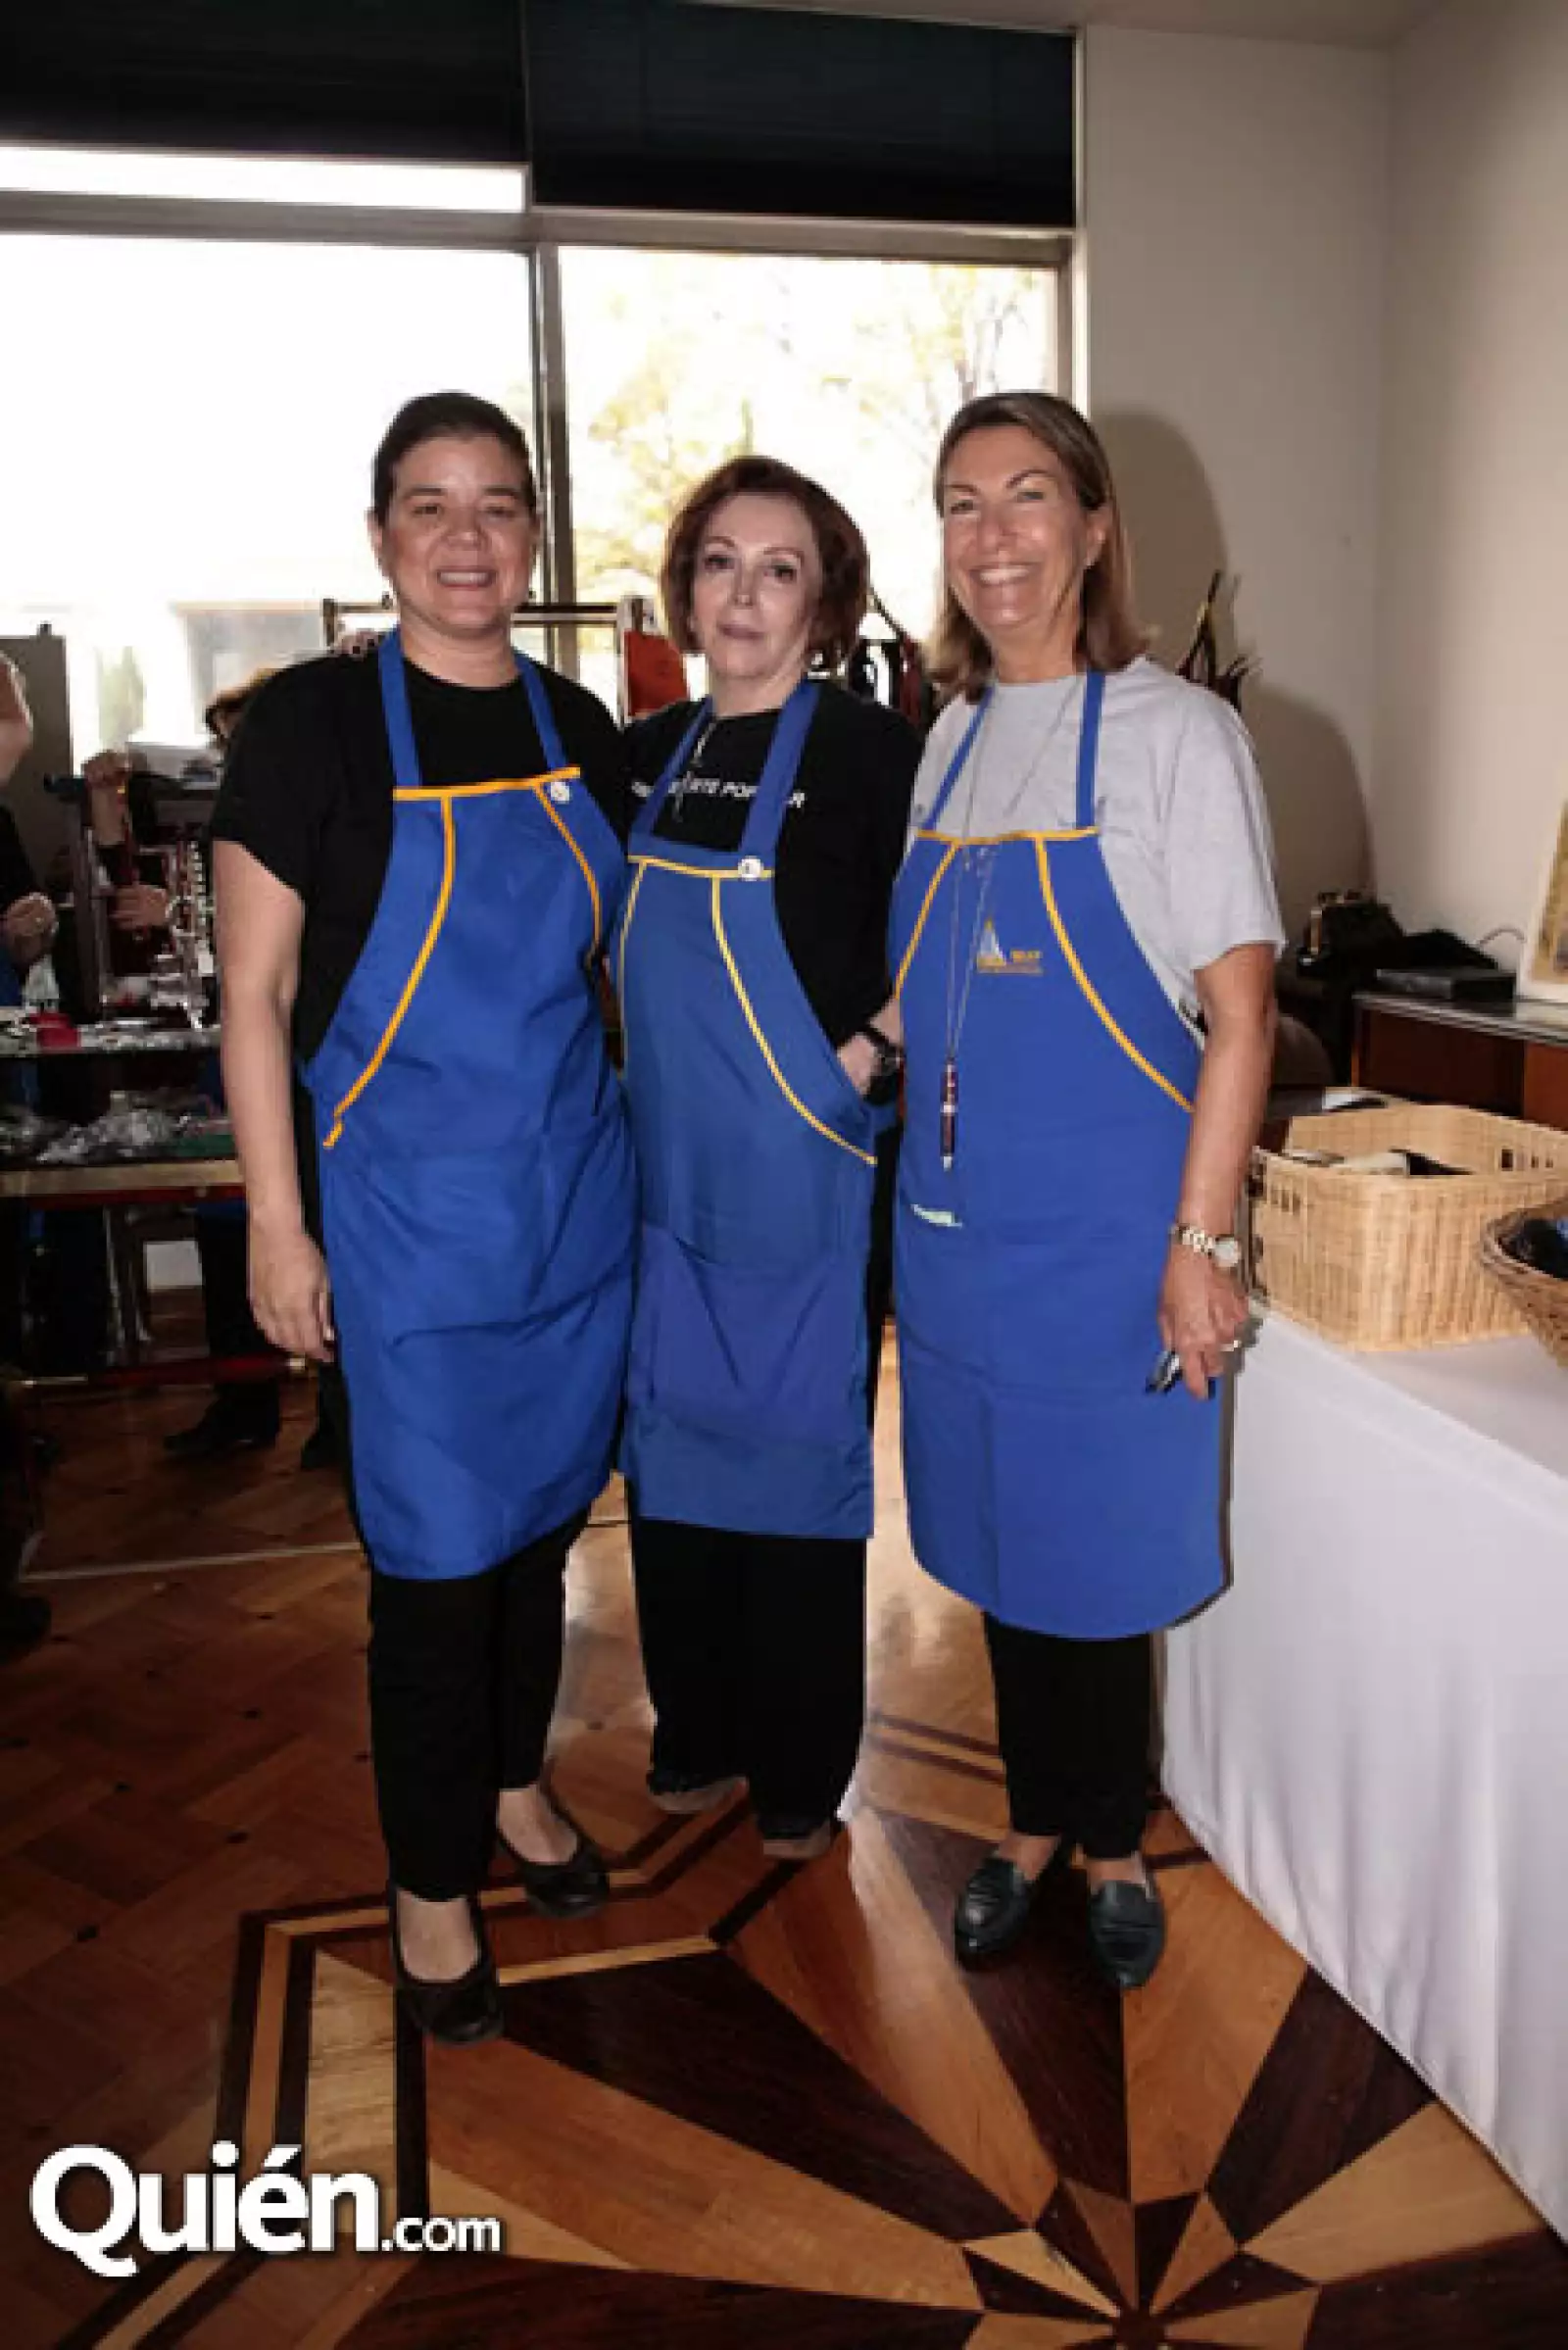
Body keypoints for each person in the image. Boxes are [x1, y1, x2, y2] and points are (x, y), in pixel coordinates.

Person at [214, 390, 636, 2045]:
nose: (468, 539)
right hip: (403, 1225)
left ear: (534, 534)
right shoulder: (312, 728)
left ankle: (519, 1786)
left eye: (498, 506)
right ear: (381, 533)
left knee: (538, 1533)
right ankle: (429, 1876)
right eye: (429, 506)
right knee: (436, 1566)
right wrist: (274, 1221)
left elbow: (624, 975)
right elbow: (253, 999)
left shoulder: (582, 724)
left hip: (571, 1204)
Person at [891, 392, 1281, 1988]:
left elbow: (1241, 1014)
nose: (994, 537)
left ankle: (1110, 1839)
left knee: (1099, 1557)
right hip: (963, 1242)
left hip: (1116, 1238)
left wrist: (1202, 1243)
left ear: (1096, 524)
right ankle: (1030, 1820)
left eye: (1029, 496)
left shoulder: (1179, 734)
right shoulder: (950, 736)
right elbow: (932, 996)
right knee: (995, 1539)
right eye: (963, 502)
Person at [617, 455, 918, 1861]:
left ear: (825, 601)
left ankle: (800, 1762)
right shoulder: (646, 752)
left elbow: (945, 927)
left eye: (780, 567)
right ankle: (701, 1726)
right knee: (674, 1450)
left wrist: (866, 1058)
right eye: (722, 562)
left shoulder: (869, 754)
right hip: (668, 1176)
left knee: (796, 1460)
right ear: (687, 590)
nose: (746, 593)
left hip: (805, 1168)